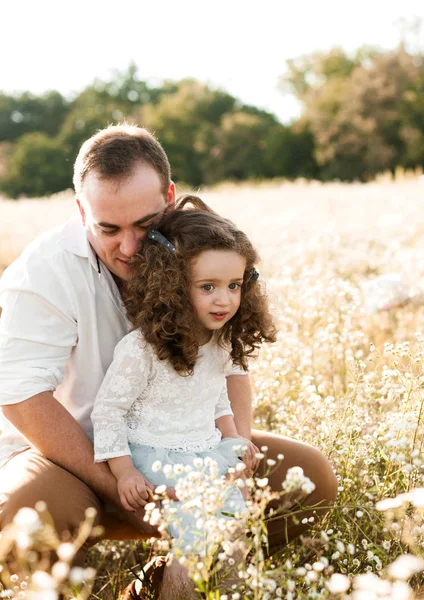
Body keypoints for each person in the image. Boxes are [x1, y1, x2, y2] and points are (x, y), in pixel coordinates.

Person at [0, 124, 338, 599]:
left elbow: (231, 365)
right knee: (25, 510)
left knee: (309, 478)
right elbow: (20, 396)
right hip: (70, 458)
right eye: (108, 229)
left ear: (171, 197)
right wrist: (122, 482)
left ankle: (167, 582)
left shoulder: (204, 252)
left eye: (144, 223)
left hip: (182, 445)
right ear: (81, 211)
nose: (131, 248)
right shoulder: (42, 273)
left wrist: (234, 457)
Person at [91, 196, 277, 598]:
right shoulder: (142, 349)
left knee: (235, 535)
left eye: (233, 286)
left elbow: (216, 399)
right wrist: (124, 472)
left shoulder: (219, 342)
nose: (224, 300)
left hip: (204, 451)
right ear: (174, 284)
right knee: (196, 540)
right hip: (154, 456)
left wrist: (233, 440)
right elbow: (108, 412)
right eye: (207, 287)